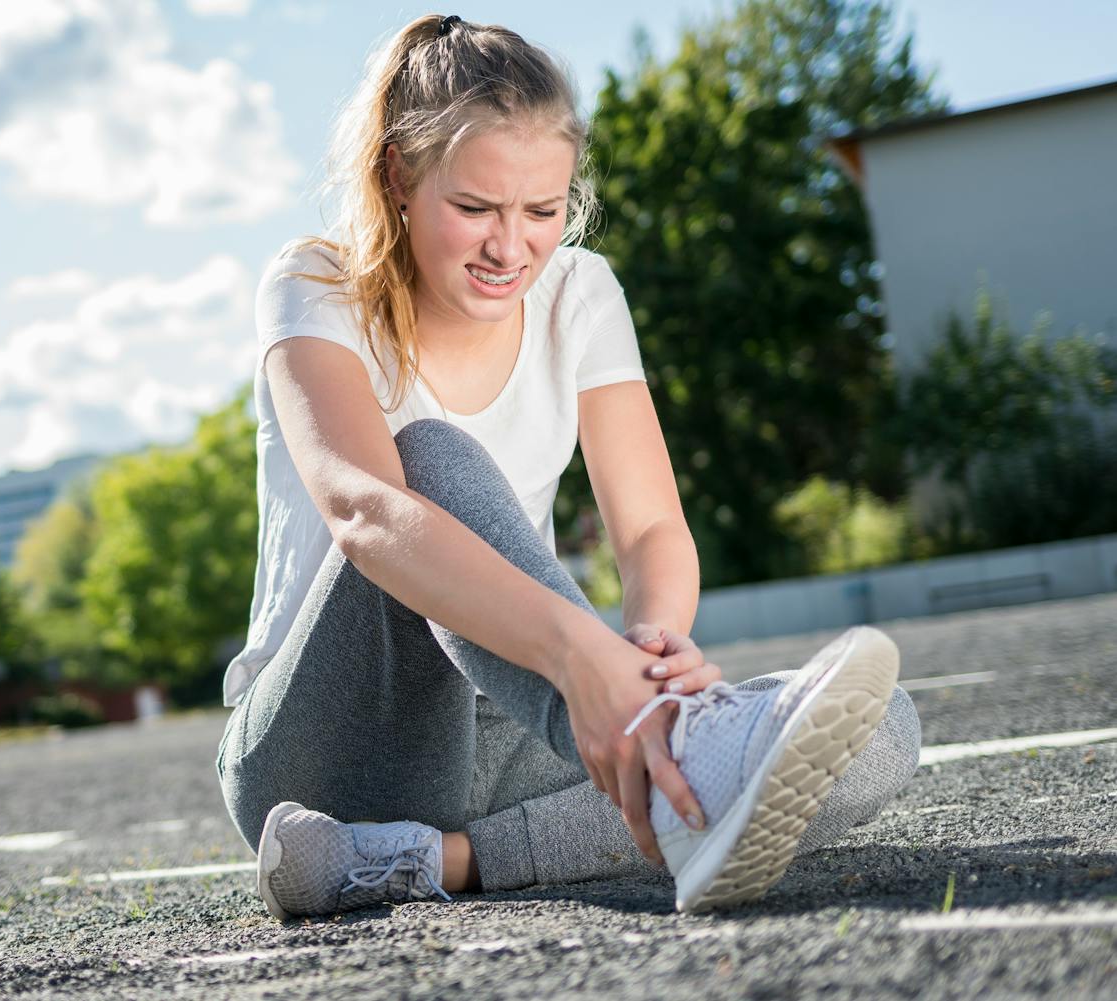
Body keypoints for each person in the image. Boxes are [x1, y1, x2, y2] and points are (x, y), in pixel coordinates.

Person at [215, 13, 921, 918]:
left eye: (541, 212)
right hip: (322, 747)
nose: (511, 248)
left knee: (882, 728)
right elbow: (363, 508)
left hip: (522, 723)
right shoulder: (314, 284)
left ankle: (430, 859)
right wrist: (586, 658)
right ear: (398, 174)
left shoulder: (583, 294)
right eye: (474, 209)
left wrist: (653, 654)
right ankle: (653, 762)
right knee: (427, 458)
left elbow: (653, 528)